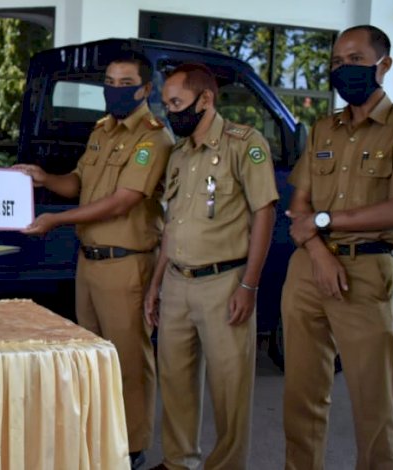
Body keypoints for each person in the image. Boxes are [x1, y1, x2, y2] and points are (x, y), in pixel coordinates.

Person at [281, 25, 393, 470]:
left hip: (365, 274)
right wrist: (320, 252)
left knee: (373, 401)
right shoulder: (324, 128)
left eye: (354, 59)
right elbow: (299, 206)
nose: (343, 68)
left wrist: (325, 223)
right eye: (336, 61)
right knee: (301, 394)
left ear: (383, 64)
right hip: (309, 267)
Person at [14, 53, 174, 466]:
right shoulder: (102, 131)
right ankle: (99, 440)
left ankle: (132, 448)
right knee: (92, 359)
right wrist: (45, 178)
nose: (114, 89)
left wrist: (55, 220)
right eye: (109, 81)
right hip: (89, 263)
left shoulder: (153, 139)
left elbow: (122, 203)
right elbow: (79, 184)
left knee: (129, 361)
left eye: (125, 82)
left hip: (126, 264)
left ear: (146, 89)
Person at [145, 62, 277, 470]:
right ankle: (178, 460)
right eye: (166, 103)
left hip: (224, 282)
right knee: (176, 382)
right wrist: (155, 285)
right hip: (177, 282)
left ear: (206, 99)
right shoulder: (179, 154)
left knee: (229, 388)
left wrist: (249, 286)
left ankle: (226, 465)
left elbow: (265, 214)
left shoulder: (244, 143)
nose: (171, 112)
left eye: (178, 102)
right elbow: (172, 224)